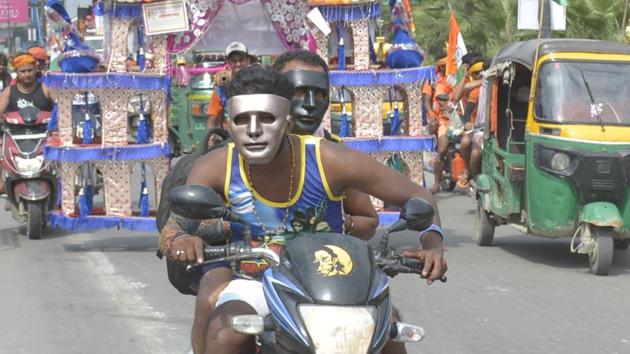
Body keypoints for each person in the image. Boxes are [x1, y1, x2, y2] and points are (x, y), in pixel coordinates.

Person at [160, 66, 446, 354]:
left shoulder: (328, 158)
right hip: (253, 280)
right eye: (242, 119)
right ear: (230, 123)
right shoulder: (216, 165)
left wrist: (433, 244)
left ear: (288, 122)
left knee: (388, 332)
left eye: (267, 118)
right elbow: (178, 222)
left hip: (336, 283)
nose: (254, 130)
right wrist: (179, 239)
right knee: (226, 333)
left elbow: (418, 194)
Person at [0, 53, 55, 195]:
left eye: (30, 70)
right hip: (15, 137)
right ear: (16, 73)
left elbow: (61, 107)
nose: (27, 74)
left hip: (45, 135)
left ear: (35, 69)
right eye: (22, 71)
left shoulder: (46, 88)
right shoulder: (9, 92)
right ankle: (5, 186)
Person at [207, 42, 254, 129]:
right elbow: (212, 118)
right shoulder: (221, 88)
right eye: (234, 61)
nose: (238, 64)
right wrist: (211, 136)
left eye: (241, 60)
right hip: (229, 135)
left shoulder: (256, 82)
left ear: (248, 60)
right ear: (228, 62)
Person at [454, 59, 484, 189]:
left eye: (482, 72)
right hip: (475, 125)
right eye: (476, 73)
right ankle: (468, 170)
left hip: (490, 126)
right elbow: (456, 97)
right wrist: (467, 123)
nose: (480, 74)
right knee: (465, 143)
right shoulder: (473, 87)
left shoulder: (491, 82)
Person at [428, 93, 457, 194]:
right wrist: (432, 115)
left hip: (462, 120)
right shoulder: (438, 82)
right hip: (444, 122)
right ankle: (436, 183)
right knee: (442, 149)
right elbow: (428, 100)